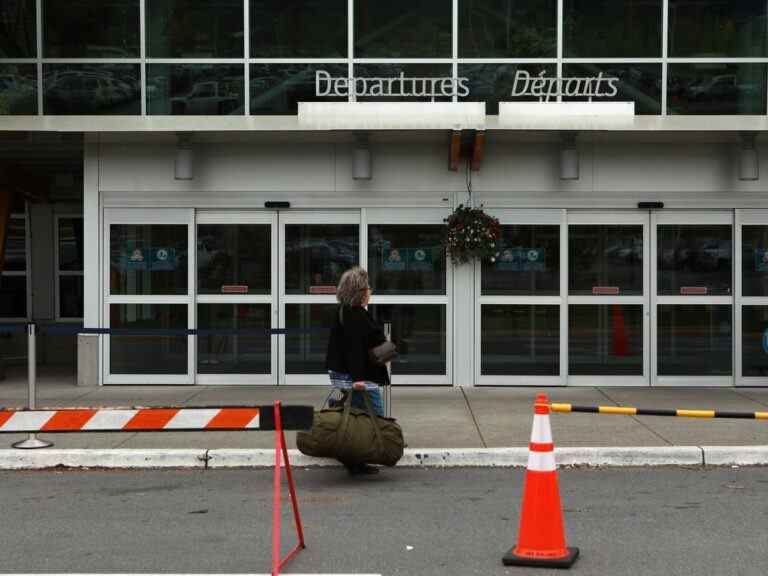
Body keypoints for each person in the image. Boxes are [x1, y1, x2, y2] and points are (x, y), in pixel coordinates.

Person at [325, 266, 390, 474]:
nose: (370, 291)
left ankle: (357, 457)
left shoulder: (348, 311)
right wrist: (358, 379)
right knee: (375, 411)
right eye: (368, 287)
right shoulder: (353, 315)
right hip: (354, 375)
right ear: (359, 291)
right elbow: (354, 349)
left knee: (358, 411)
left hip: (347, 373)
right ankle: (383, 443)